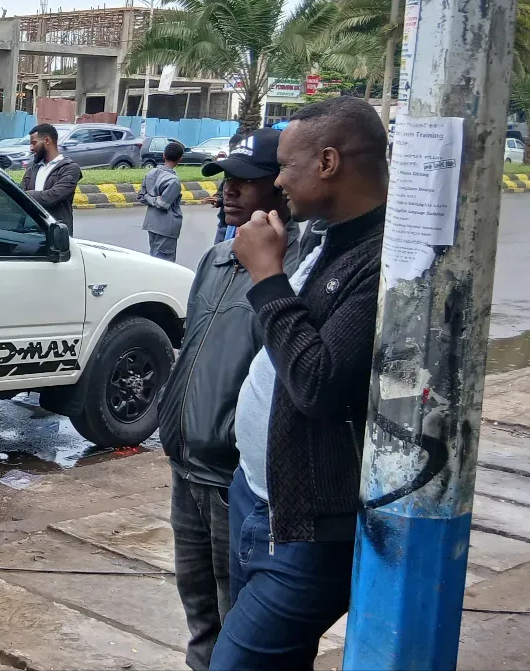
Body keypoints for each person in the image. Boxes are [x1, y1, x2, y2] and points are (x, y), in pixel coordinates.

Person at [211, 97, 390, 669]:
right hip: (255, 498)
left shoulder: (381, 260)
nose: (278, 179)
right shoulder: (326, 237)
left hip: (305, 525)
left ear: (328, 162)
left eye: (287, 166)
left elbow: (316, 383)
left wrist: (268, 276)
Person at [156, 127, 301, 670]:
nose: (230, 192)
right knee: (198, 608)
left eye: (247, 182)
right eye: (227, 181)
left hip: (233, 479)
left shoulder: (292, 268)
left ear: (280, 189)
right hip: (186, 463)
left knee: (238, 615)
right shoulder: (216, 260)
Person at [22, 123, 82, 231]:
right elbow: (20, 197)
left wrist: (26, 195)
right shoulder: (32, 169)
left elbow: (52, 197)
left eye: (34, 143)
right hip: (30, 232)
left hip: (56, 235)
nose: (31, 148)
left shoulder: (70, 168)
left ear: (47, 141)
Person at [139, 141, 184, 261]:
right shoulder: (173, 181)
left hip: (152, 224)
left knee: (154, 258)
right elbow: (162, 204)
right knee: (165, 262)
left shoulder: (151, 173)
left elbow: (141, 196)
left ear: (164, 155)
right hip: (166, 227)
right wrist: (156, 199)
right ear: (180, 159)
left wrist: (149, 197)